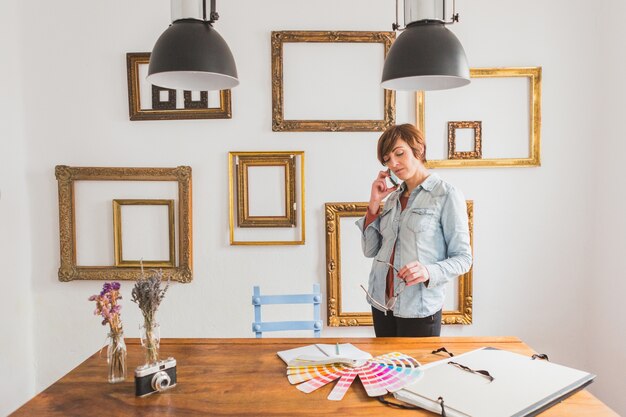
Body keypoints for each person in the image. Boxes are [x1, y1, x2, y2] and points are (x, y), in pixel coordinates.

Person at [356, 124, 472, 337]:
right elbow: (370, 250)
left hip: (419, 309)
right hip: (381, 304)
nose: (394, 163)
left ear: (418, 149)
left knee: (418, 370)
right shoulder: (392, 199)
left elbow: (463, 258)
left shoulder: (446, 195)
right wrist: (374, 202)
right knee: (386, 370)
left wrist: (428, 271)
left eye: (399, 153)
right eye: (387, 159)